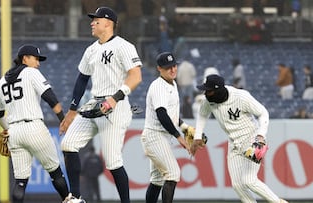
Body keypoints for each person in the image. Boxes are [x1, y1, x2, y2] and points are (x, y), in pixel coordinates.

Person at [59, 6, 142, 203]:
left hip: (116, 106)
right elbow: (81, 80)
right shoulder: (91, 50)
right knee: (68, 144)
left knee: (112, 162)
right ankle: (76, 198)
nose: (92, 23)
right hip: (93, 104)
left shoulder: (124, 46)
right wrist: (71, 111)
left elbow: (136, 76)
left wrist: (115, 98)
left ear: (108, 23)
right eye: (92, 20)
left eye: (96, 20)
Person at [0, 44, 70, 203]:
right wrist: (63, 119)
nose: (38, 63)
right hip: (33, 127)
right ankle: (69, 200)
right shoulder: (31, 73)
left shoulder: (2, 81)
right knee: (55, 172)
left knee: (20, 181)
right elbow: (50, 97)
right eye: (36, 58)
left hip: (14, 132)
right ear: (25, 58)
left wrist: (7, 129)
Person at [190, 74, 288, 203]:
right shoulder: (208, 100)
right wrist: (197, 136)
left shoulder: (240, 96)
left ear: (218, 90)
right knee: (237, 185)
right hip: (234, 143)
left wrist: (261, 135)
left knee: (249, 180)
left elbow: (263, 112)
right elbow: (202, 115)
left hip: (251, 140)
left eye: (209, 90)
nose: (206, 93)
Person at [141, 52, 190, 203]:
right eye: (168, 67)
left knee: (157, 180)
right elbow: (162, 114)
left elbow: (171, 114)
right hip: (155, 135)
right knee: (173, 174)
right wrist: (179, 136)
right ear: (159, 69)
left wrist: (185, 127)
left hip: (161, 136)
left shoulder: (172, 83)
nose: (173, 69)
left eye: (174, 65)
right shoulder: (158, 86)